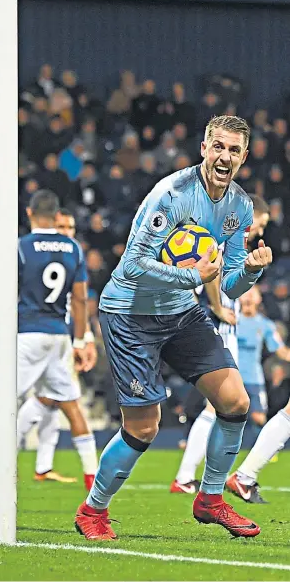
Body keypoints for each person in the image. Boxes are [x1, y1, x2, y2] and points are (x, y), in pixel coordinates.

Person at [74, 115, 273, 541]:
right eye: (217, 146)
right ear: (203, 147)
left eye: (233, 150)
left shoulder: (239, 206)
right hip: (130, 314)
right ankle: (93, 511)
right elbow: (132, 264)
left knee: (235, 402)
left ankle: (211, 499)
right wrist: (192, 278)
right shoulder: (171, 195)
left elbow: (231, 283)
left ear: (243, 157)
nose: (224, 156)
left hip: (181, 311)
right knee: (144, 427)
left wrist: (251, 271)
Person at [0, 207, 99, 493]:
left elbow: (6, 290)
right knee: (64, 404)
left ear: (29, 212)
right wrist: (81, 339)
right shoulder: (72, 249)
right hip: (60, 337)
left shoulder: (22, 246)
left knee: (3, 404)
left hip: (28, 334)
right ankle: (91, 476)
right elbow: (79, 298)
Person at [170, 195, 270, 494]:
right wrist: (216, 307)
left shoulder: (231, 238)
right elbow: (213, 267)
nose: (259, 232)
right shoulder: (226, 237)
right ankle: (189, 477)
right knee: (220, 406)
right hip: (218, 323)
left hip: (221, 321)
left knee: (218, 406)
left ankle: (188, 476)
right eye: (259, 225)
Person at [225, 288, 290, 504]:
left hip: (254, 378)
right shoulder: (231, 320)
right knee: (219, 414)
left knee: (259, 418)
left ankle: (245, 473)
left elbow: (280, 350)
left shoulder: (264, 325)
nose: (249, 297)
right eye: (246, 293)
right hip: (231, 375)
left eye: (253, 294)